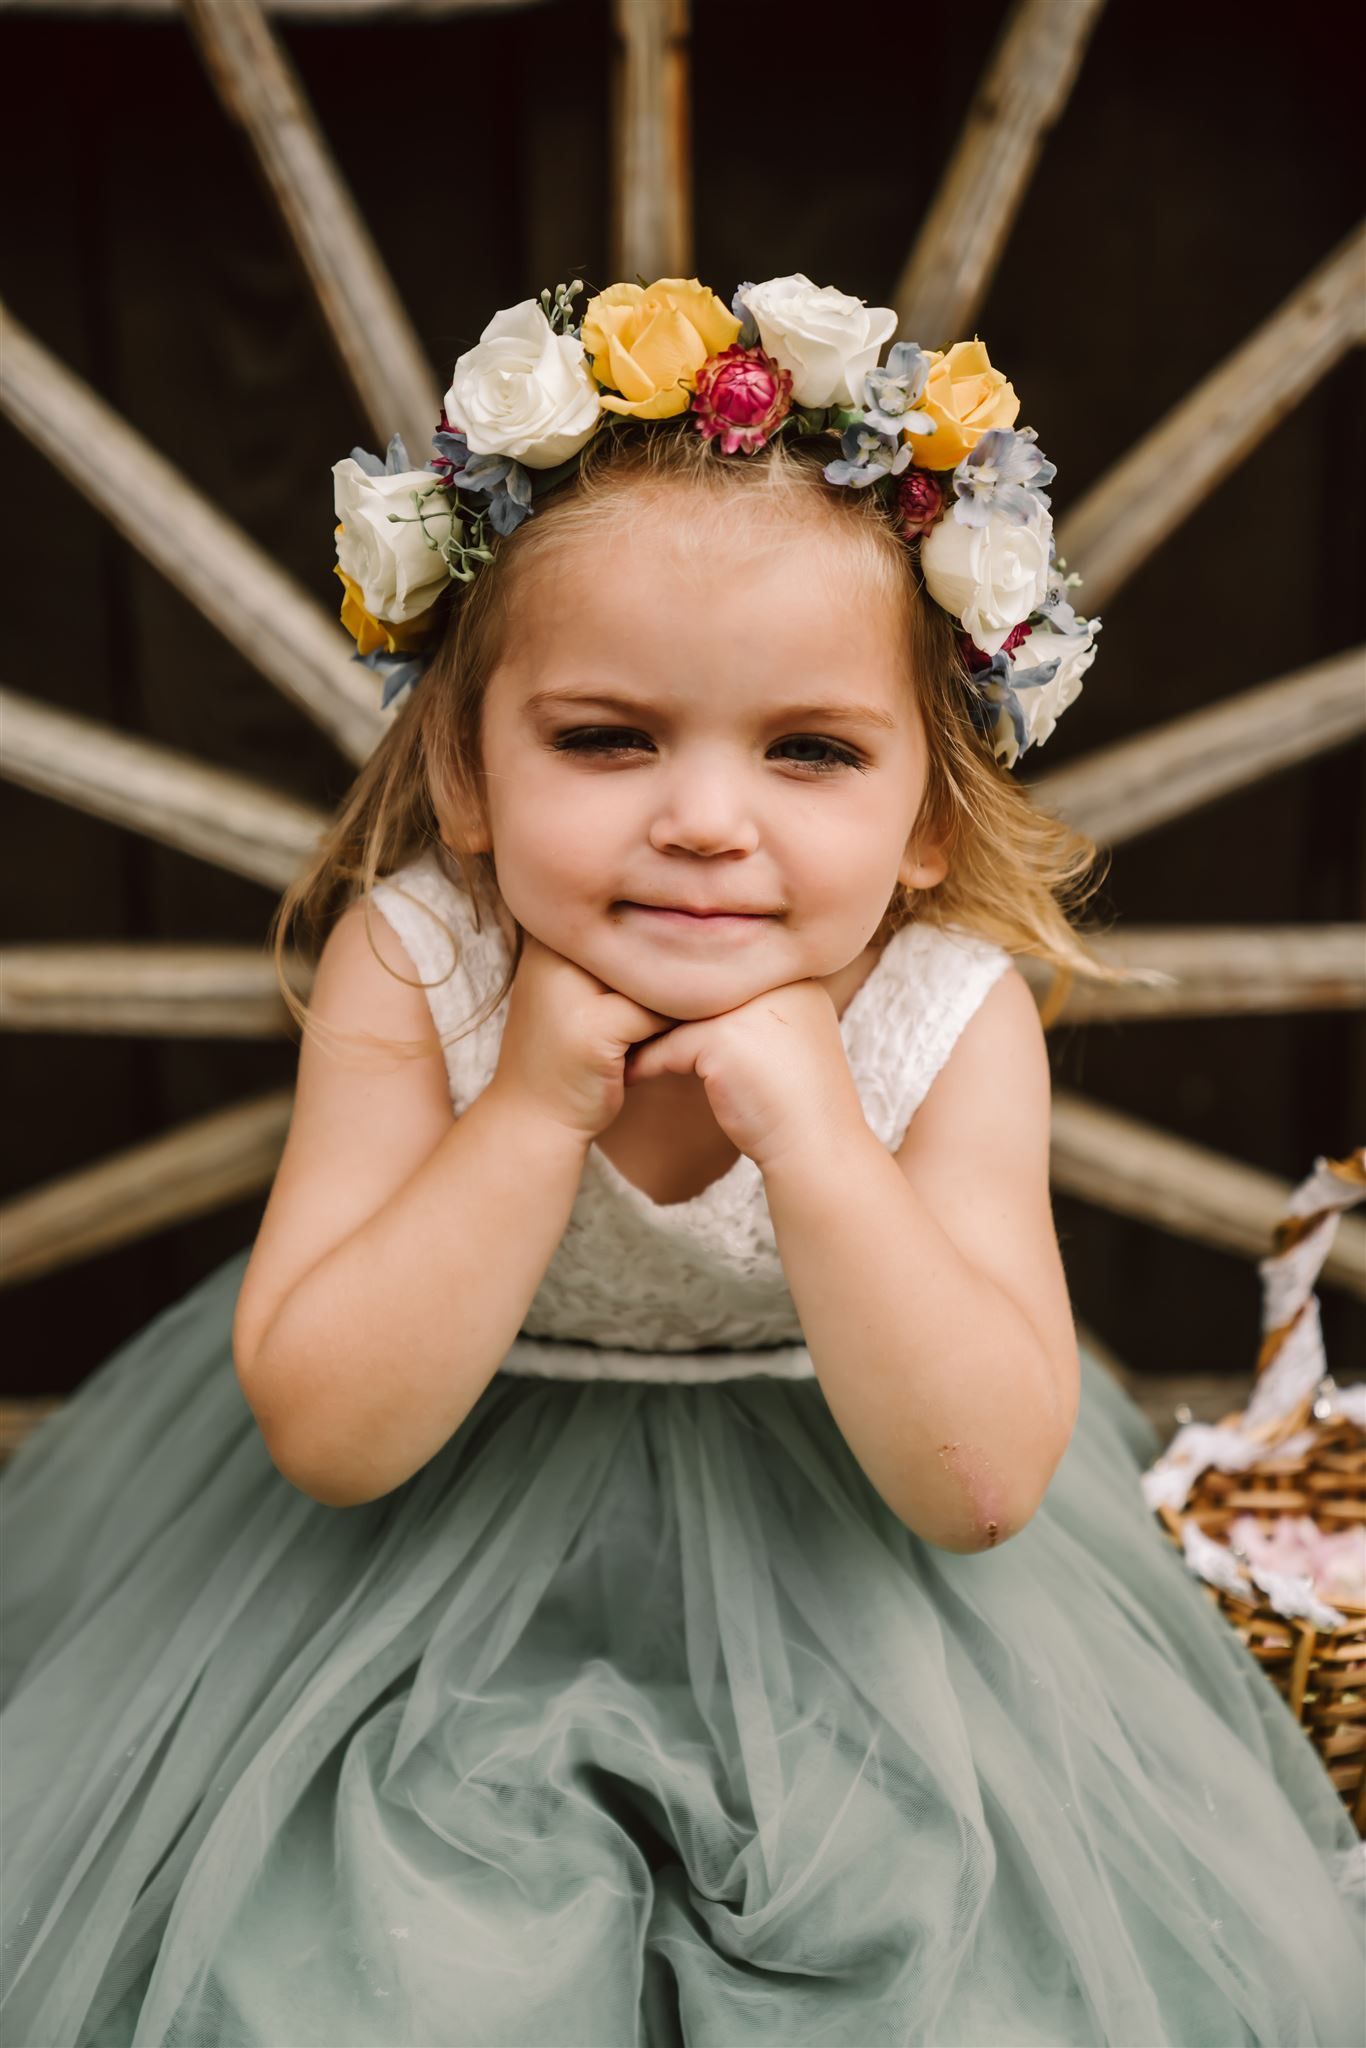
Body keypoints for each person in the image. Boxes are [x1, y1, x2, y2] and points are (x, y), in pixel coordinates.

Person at [1, 273, 1361, 2048]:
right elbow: (332, 1438)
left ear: (929, 818)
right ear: (468, 777)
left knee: (935, 1957)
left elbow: (975, 1485)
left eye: (809, 752)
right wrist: (527, 1115)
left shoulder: (950, 1018)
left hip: (864, 1588)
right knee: (344, 1959)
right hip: (392, 1576)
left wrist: (814, 1138)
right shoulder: (418, 964)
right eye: (605, 739)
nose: (705, 817)